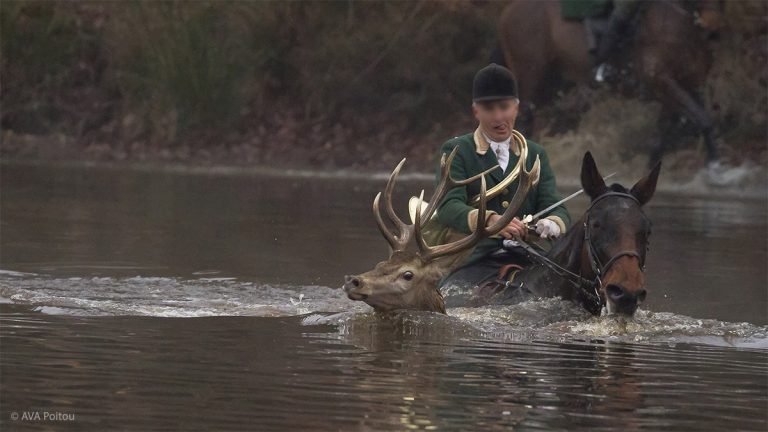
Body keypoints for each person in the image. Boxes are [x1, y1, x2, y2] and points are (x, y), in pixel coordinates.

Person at [435, 63, 571, 290]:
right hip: (473, 257)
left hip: (528, 256)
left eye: (504, 107)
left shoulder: (536, 153)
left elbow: (557, 208)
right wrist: (490, 221)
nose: (499, 117)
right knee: (457, 301)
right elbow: (448, 207)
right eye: (489, 109)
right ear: (476, 111)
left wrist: (551, 224)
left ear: (516, 108)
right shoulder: (456, 151)